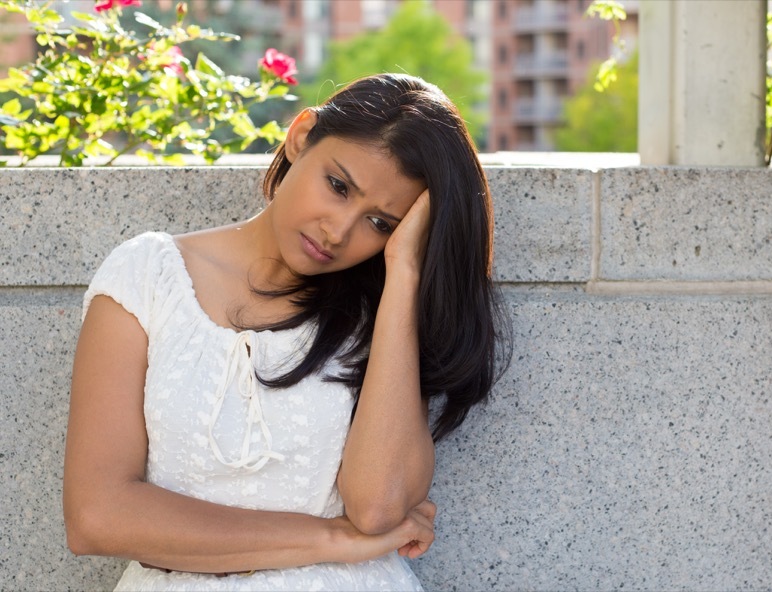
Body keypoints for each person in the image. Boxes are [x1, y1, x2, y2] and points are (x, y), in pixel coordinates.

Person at [63, 73, 510, 591]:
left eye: (381, 223)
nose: (338, 231)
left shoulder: (381, 313)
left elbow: (379, 509)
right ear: (301, 137)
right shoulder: (148, 276)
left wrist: (405, 272)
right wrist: (332, 541)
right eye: (339, 186)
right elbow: (96, 516)